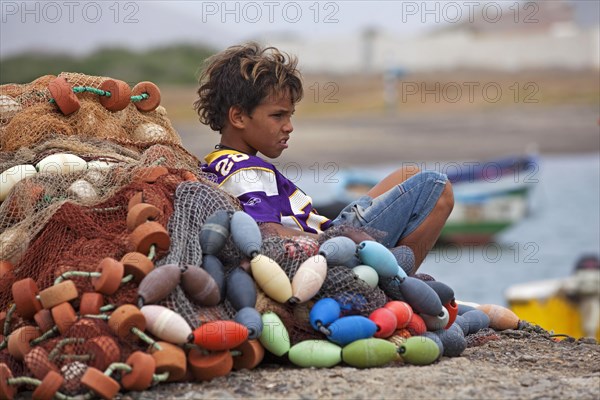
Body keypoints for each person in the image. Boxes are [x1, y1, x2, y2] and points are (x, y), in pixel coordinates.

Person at [195, 43, 454, 273]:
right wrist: (345, 237)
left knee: (408, 174)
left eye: (290, 116)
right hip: (331, 250)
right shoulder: (241, 169)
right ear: (238, 117)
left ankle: (392, 269)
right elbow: (266, 232)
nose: (289, 127)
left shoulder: (226, 161)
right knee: (437, 187)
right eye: (278, 116)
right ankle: (397, 280)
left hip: (332, 232)